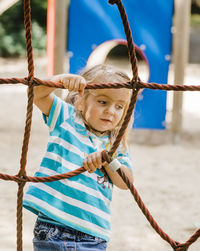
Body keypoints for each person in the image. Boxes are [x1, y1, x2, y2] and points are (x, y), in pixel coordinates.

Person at [23, 64, 133, 251]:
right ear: (80, 101)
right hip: (53, 228)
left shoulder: (116, 144)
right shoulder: (66, 118)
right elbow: (36, 93)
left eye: (119, 106)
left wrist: (108, 160)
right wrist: (60, 80)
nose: (111, 111)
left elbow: (126, 182)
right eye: (103, 102)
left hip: (94, 235)